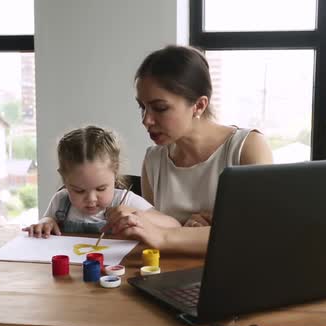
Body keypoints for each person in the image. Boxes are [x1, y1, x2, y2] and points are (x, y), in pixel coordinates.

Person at [104, 45, 273, 253]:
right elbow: (150, 236)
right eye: (142, 107)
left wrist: (167, 236)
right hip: (165, 277)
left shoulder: (247, 147)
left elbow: (258, 234)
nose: (146, 120)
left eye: (160, 108)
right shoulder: (154, 160)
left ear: (199, 106)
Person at [22, 125, 179, 238]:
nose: (91, 199)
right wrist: (46, 221)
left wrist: (136, 215)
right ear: (64, 178)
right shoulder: (60, 201)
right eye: (79, 190)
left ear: (115, 173)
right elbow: (45, 227)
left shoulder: (126, 200)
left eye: (101, 188)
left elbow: (174, 226)